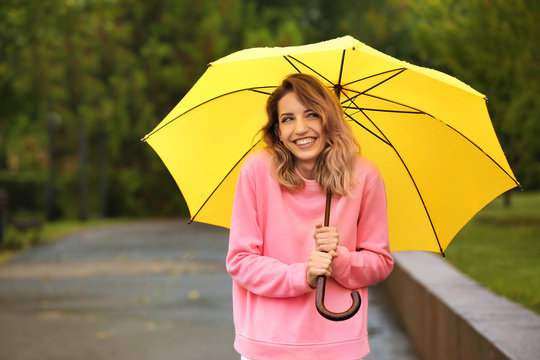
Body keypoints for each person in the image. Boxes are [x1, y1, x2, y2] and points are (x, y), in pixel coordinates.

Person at [226, 73, 394, 360]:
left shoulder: (364, 175)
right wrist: (302, 275)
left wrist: (339, 260)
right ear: (277, 130)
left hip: (338, 344)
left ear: (329, 120)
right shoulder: (256, 170)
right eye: (288, 119)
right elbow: (240, 261)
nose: (300, 129)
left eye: (312, 114)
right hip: (267, 344)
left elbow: (380, 262)